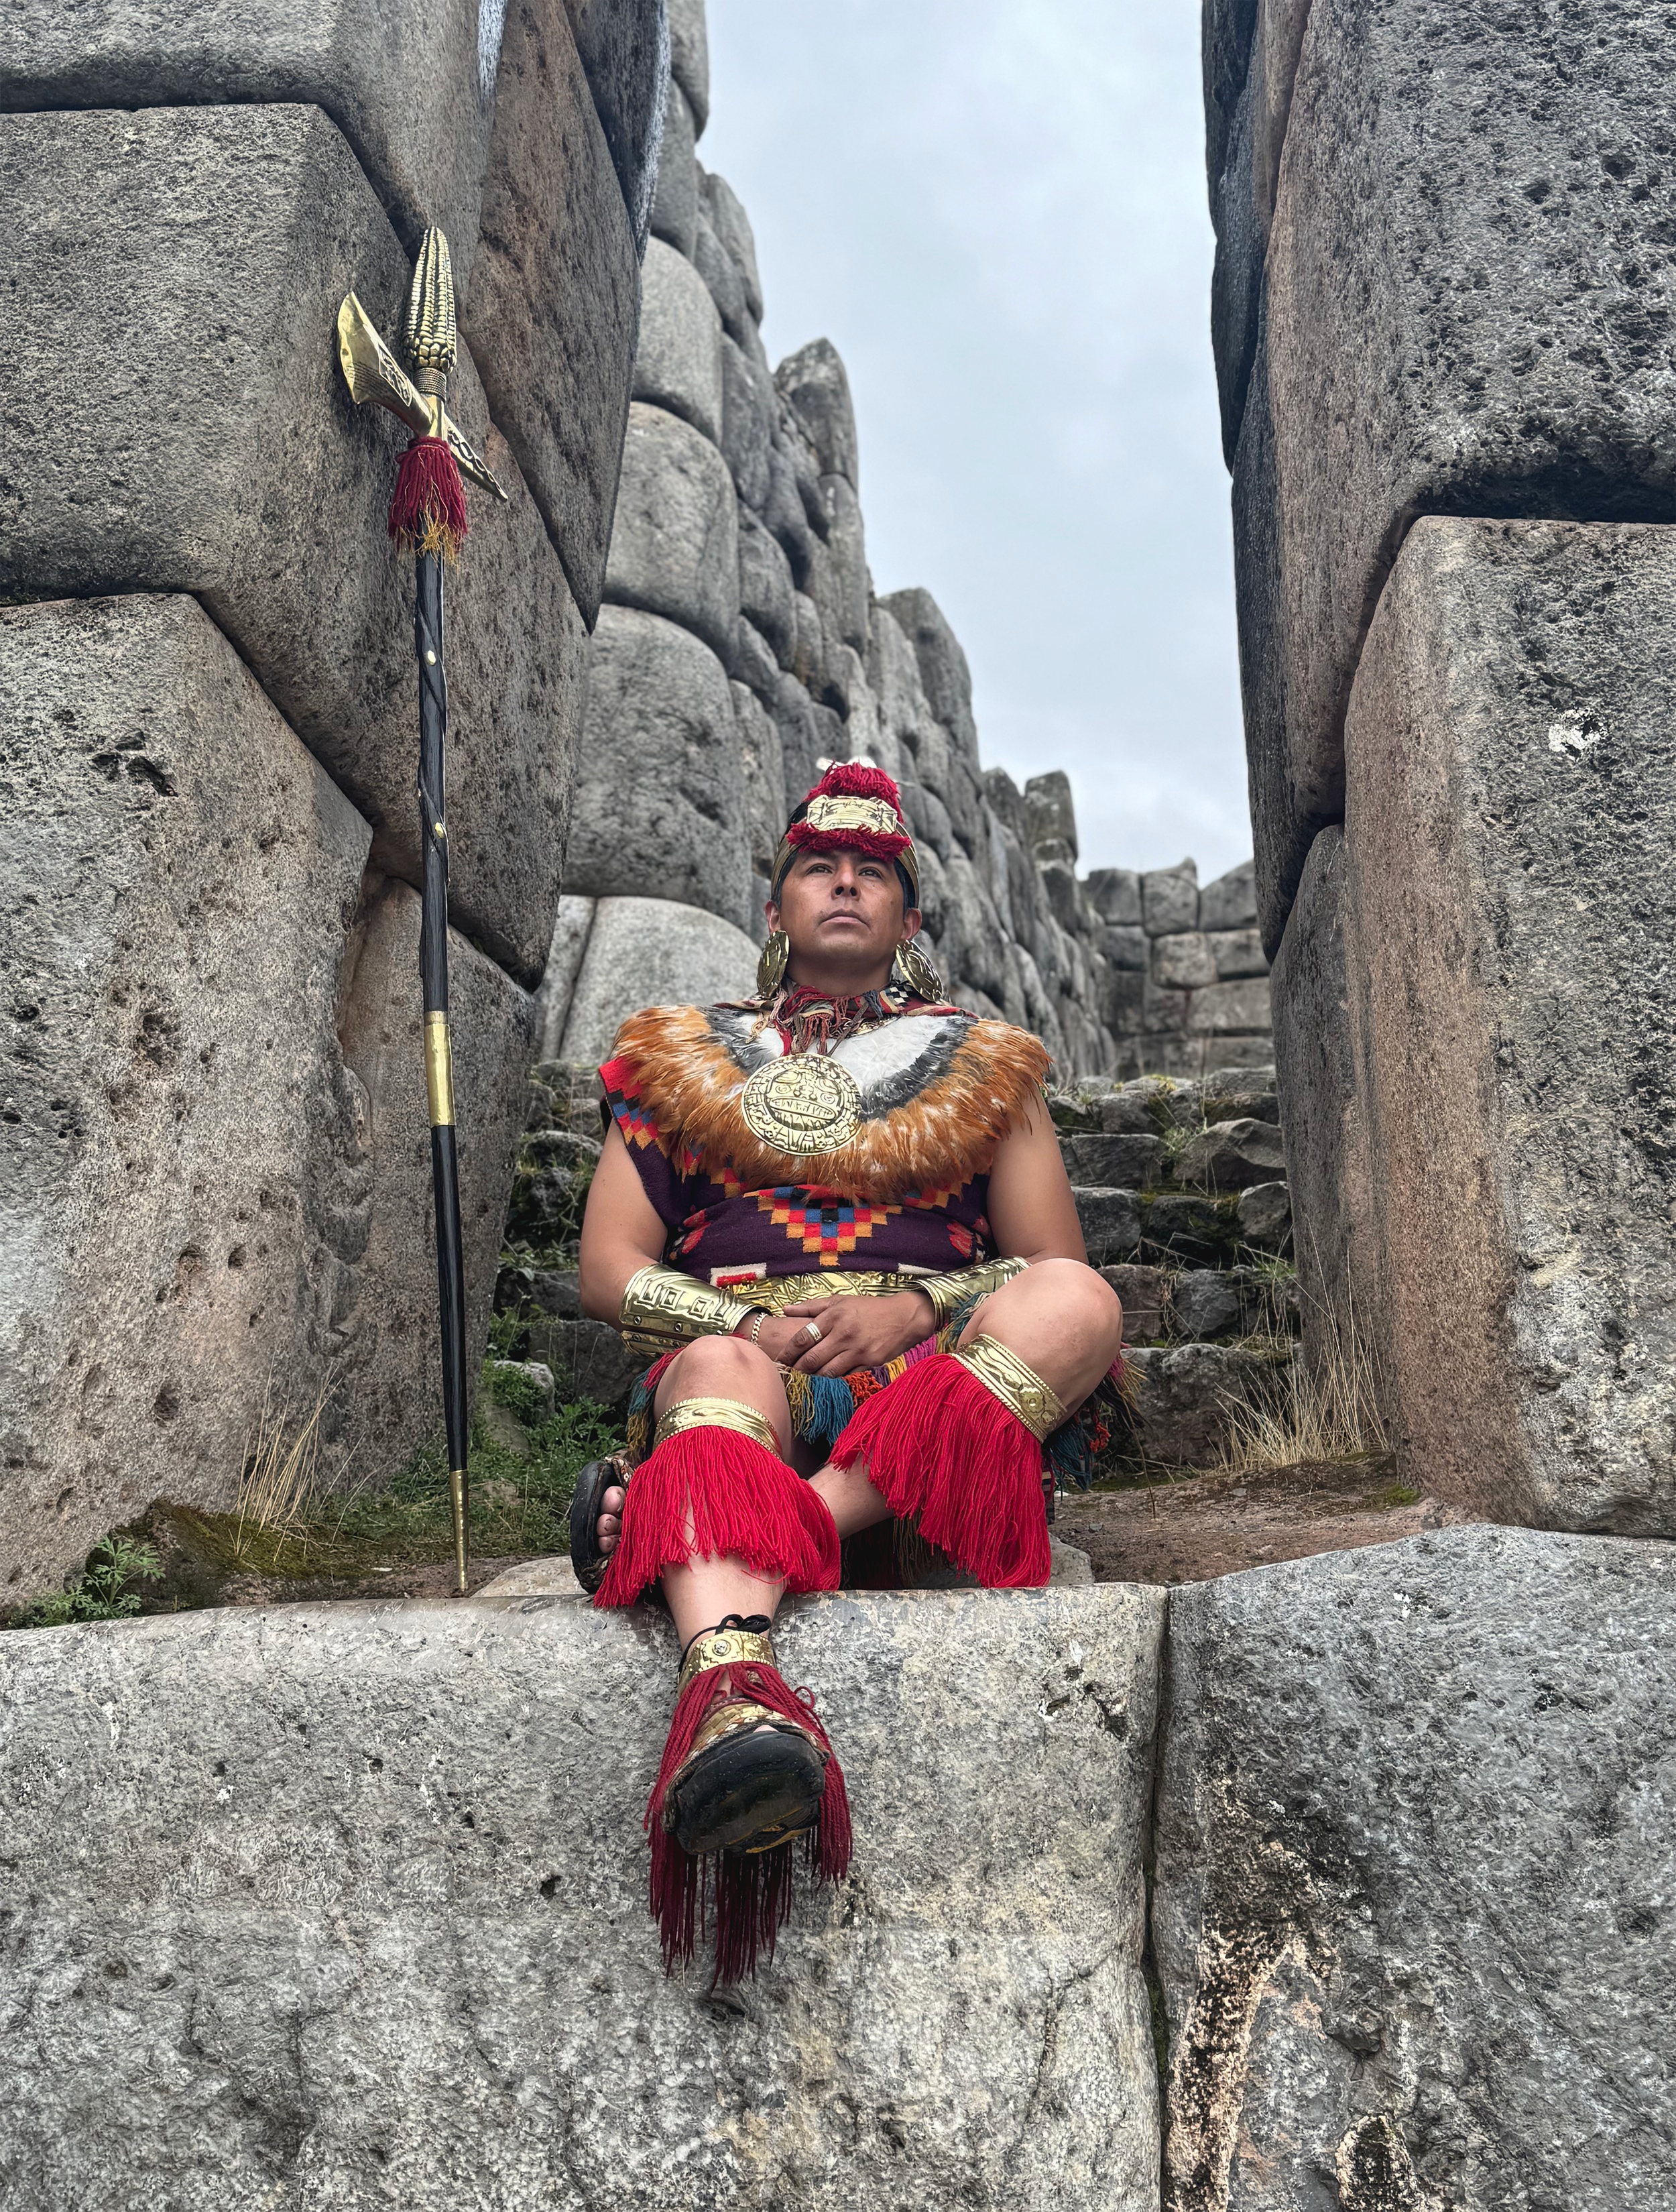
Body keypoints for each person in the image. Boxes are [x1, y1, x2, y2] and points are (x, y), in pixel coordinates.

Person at [571, 760, 1124, 1983]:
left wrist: (914, 1307)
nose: (843, 885)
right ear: (776, 907)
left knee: (1081, 1302)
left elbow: (1049, 1258)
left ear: (908, 917)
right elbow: (610, 1267)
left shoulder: (987, 1062)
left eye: (872, 872)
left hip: (930, 1384)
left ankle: (746, 1533)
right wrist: (745, 1322)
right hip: (739, 1360)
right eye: (819, 866)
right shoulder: (677, 1057)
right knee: (714, 1358)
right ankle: (733, 1693)